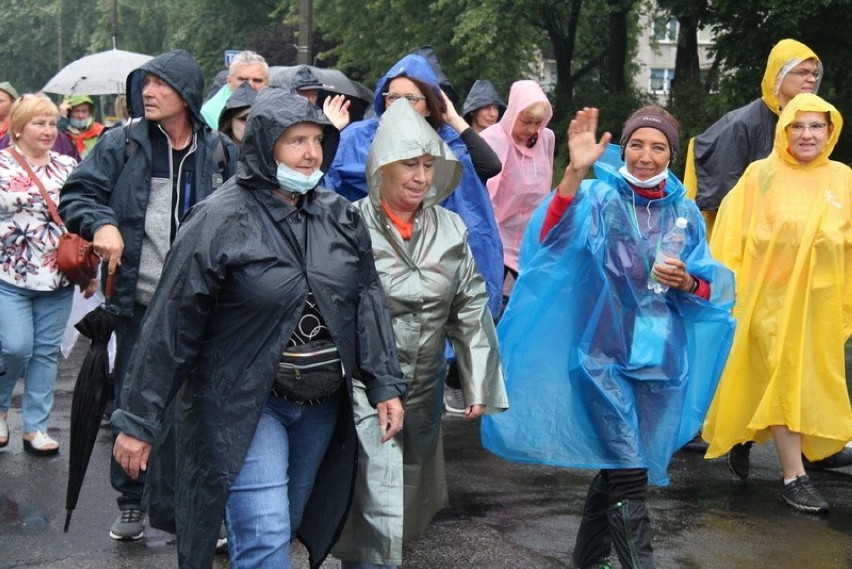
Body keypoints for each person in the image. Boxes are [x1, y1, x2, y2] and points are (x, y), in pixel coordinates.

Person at [111, 88, 407, 569]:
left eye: (317, 140)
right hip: (244, 402)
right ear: (265, 144)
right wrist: (138, 421)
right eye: (296, 141)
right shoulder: (217, 219)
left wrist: (384, 382)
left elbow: (366, 298)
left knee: (283, 522)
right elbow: (171, 323)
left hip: (319, 403)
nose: (311, 152)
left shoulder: (339, 215)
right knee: (265, 531)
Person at [481, 106, 736, 568]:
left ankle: (588, 560)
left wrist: (686, 283)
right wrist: (574, 174)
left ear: (671, 156)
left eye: (658, 147)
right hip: (601, 358)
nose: (645, 155)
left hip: (660, 363)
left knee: (620, 467)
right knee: (630, 474)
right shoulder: (599, 199)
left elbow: (712, 288)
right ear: (625, 147)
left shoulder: (684, 213)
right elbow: (548, 239)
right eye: (637, 143)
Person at [59, 49, 238, 542]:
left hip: (203, 307)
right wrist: (103, 222)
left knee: (199, 410)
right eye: (145, 83)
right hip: (139, 304)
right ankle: (132, 501)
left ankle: (199, 510)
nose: (148, 92)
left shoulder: (219, 150)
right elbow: (77, 193)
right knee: (135, 402)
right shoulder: (123, 145)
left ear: (188, 94)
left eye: (160, 84)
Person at [332, 96, 508, 569]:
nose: (420, 176)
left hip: (425, 387)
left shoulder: (450, 227)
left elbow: (470, 304)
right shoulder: (348, 224)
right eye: (409, 164)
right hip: (362, 387)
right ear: (381, 168)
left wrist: (479, 380)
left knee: (405, 498)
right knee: (369, 494)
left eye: (429, 165)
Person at [702, 93, 852, 514]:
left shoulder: (843, 178)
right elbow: (732, 236)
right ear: (783, 130)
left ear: (830, 131)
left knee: (808, 381)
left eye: (816, 126)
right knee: (785, 378)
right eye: (797, 126)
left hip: (819, 305)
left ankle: (749, 435)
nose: (806, 135)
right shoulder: (760, 176)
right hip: (770, 301)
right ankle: (794, 477)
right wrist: (724, 296)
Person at [324, 53, 504, 320]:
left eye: (410, 99)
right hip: (371, 270)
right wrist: (329, 135)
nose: (399, 105)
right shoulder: (355, 139)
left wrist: (453, 118)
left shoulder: (448, 144)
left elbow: (481, 193)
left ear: (430, 105)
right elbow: (324, 193)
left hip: (430, 275)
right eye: (393, 97)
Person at [0, 94, 80, 455]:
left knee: (46, 352)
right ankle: (1, 409)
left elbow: (83, 210)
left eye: (51, 123)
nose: (48, 130)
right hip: (9, 275)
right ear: (18, 127)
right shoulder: (1, 165)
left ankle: (36, 427)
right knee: (16, 347)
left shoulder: (68, 165)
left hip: (58, 276)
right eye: (39, 123)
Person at [685, 38, 821, 235]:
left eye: (814, 74)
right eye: (802, 72)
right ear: (778, 75)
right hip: (743, 236)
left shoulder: (806, 121)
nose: (811, 79)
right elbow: (724, 193)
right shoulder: (744, 124)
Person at [480, 79, 554, 290]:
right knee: (491, 298)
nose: (532, 129)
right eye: (526, 121)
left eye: (538, 123)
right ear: (513, 112)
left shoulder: (546, 139)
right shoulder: (491, 140)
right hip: (496, 237)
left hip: (531, 237)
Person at [200, 50, 269, 129]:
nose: (250, 85)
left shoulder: (275, 111)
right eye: (242, 79)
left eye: (257, 80)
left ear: (267, 84)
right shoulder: (210, 115)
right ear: (229, 81)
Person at [218, 81, 257, 146]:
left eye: (254, 120)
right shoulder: (214, 152)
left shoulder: (269, 153)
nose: (249, 125)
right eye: (244, 119)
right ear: (229, 121)